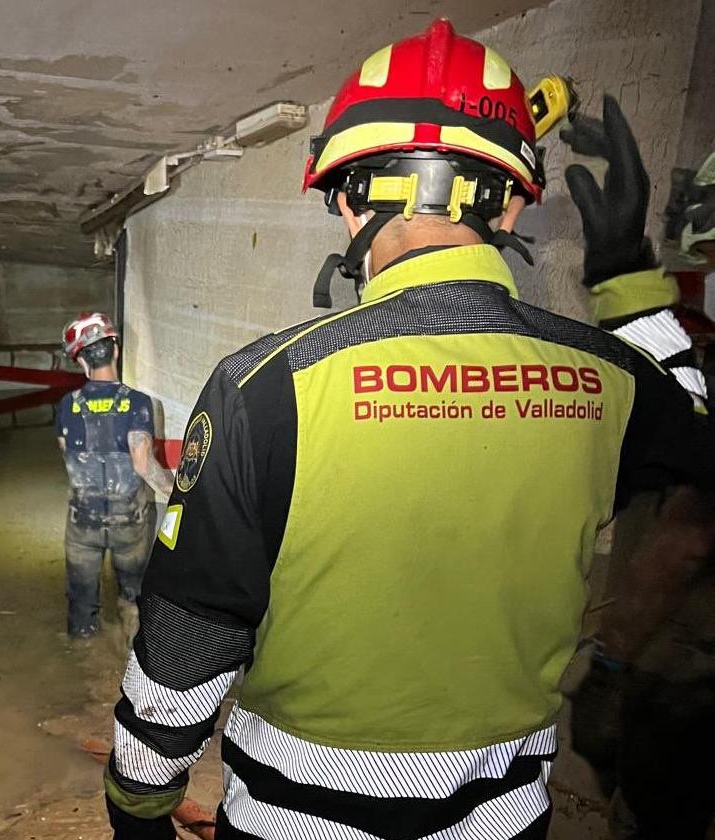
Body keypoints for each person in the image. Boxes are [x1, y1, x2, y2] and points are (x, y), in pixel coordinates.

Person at [103, 20, 712, 840]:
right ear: (508, 204)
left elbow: (186, 647)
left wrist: (137, 809)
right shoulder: (608, 378)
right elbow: (700, 436)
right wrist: (628, 284)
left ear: (350, 200)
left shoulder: (264, 387)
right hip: (500, 819)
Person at [563, 101, 715, 839]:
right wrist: (623, 271)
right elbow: (684, 398)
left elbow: (684, 534)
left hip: (682, 685)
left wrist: (611, 667)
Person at [57, 312, 174, 643]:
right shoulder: (138, 403)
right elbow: (142, 464)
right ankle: (128, 665)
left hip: (82, 522)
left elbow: (66, 454)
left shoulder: (67, 405)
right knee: (133, 598)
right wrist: (177, 493)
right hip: (129, 524)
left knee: (81, 603)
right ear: (116, 350)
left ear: (80, 359)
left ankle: (82, 660)